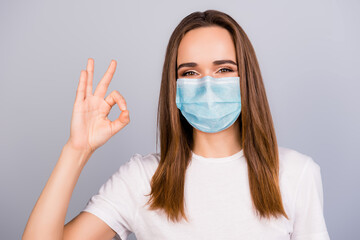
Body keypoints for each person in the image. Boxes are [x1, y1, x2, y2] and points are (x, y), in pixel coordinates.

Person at [22, 9, 330, 240]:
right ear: (174, 87)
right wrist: (77, 149)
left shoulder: (297, 174)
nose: (207, 84)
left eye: (223, 69)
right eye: (190, 73)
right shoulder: (142, 180)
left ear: (246, 79)